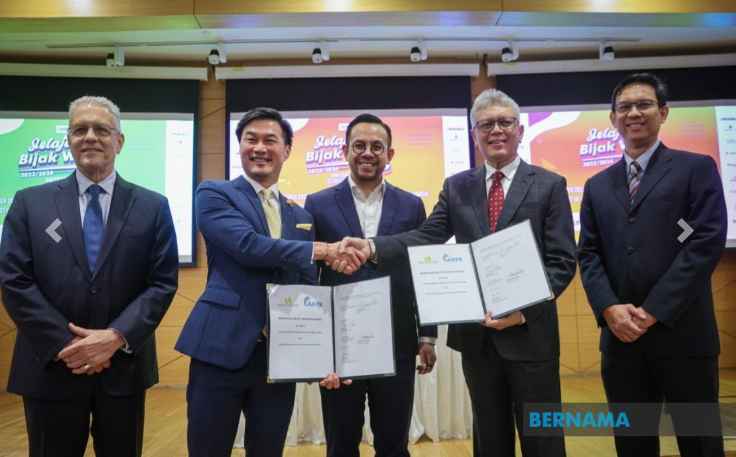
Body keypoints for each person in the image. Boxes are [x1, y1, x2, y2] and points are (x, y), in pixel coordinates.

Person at [338, 89, 576, 457]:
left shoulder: (550, 185)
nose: (496, 130)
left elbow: (561, 261)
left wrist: (523, 311)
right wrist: (373, 247)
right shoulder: (457, 186)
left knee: (543, 440)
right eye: (486, 124)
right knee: (489, 438)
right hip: (477, 338)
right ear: (474, 134)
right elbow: (426, 236)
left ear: (520, 130)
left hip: (531, 334)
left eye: (504, 122)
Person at [175, 107, 361, 457]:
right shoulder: (214, 193)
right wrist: (323, 250)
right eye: (251, 139)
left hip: (279, 357)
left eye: (270, 140)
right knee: (207, 448)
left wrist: (325, 355)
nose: (259, 147)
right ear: (240, 146)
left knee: (269, 450)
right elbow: (247, 246)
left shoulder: (301, 216)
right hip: (221, 347)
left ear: (287, 150)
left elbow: (308, 289)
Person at [0, 95, 179, 457]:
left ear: (119, 141)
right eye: (80, 130)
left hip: (123, 368)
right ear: (69, 139)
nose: (90, 137)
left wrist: (114, 337)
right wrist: (69, 346)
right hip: (50, 368)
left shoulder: (153, 206)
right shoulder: (29, 202)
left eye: (101, 129)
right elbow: (14, 280)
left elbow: (161, 283)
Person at [577, 73, 727, 457]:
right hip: (621, 341)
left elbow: (705, 243)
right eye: (624, 107)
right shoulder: (596, 185)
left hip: (685, 337)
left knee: (700, 445)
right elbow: (589, 254)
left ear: (663, 112)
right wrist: (609, 308)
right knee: (633, 445)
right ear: (613, 118)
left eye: (643, 105)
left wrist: (653, 311)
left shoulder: (696, 168)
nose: (633, 113)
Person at [304, 113, 438, 457]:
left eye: (377, 147)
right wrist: (316, 345)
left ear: (389, 154)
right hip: (340, 345)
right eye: (359, 145)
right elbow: (309, 276)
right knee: (341, 443)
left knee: (394, 444)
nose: (367, 153)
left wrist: (427, 335)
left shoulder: (411, 205)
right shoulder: (317, 203)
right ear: (345, 151)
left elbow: (421, 272)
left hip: (397, 340)